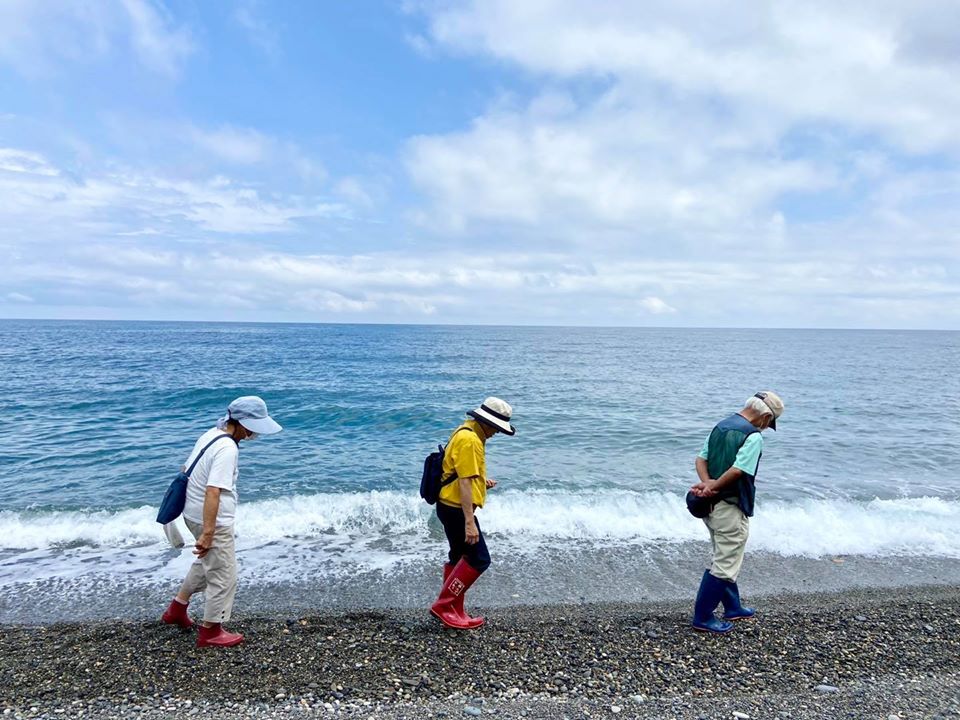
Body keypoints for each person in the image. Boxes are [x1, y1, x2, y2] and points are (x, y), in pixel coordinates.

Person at [161, 396, 282, 647]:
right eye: (252, 426)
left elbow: (187, 468)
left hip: (191, 512)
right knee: (223, 574)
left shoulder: (212, 434)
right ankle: (211, 631)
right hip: (211, 519)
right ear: (240, 422)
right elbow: (213, 490)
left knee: (208, 563)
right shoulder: (227, 449)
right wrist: (208, 532)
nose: (254, 432)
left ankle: (177, 609)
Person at [688, 391, 784, 633]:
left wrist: (707, 484)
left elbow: (701, 459)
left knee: (724, 553)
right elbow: (739, 470)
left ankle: (733, 606)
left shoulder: (721, 426)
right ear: (765, 417)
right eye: (769, 423)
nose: (766, 428)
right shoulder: (752, 436)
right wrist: (715, 486)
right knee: (726, 560)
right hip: (730, 506)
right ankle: (703, 617)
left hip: (710, 506)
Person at [430, 397, 516, 629]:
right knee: (479, 559)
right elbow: (465, 483)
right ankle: (444, 606)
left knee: (459, 558)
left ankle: (455, 610)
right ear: (486, 422)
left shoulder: (466, 431)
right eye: (496, 428)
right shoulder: (470, 440)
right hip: (457, 510)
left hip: (449, 505)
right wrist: (470, 522)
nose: (497, 433)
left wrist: (481, 482)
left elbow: (461, 472)